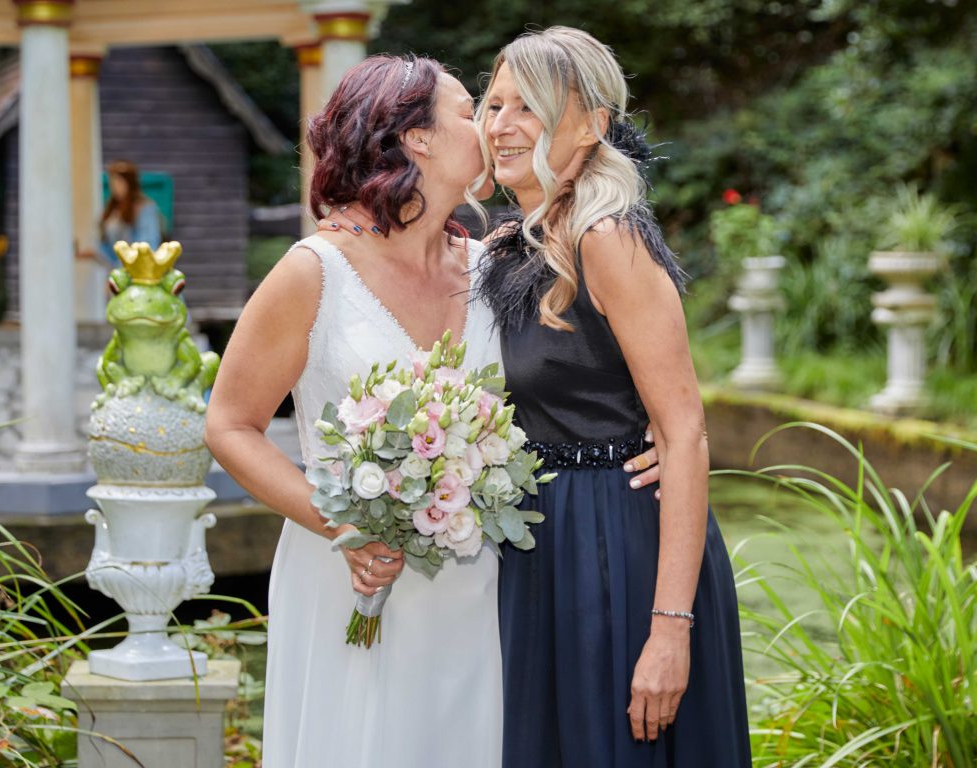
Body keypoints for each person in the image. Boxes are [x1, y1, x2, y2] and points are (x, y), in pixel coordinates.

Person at [323, 26, 750, 768]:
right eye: (493, 105)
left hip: (618, 543)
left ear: (591, 124)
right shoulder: (507, 245)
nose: (502, 125)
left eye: (531, 106)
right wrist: (352, 226)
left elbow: (684, 433)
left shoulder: (607, 238)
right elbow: (412, 254)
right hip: (536, 547)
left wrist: (669, 628)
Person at [204, 56, 504, 767]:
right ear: (418, 138)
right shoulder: (315, 272)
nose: (492, 128)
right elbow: (229, 424)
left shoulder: (494, 268)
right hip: (348, 572)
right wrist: (340, 525)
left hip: (477, 581)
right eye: (472, 112)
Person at [98, 160, 162, 263]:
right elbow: (107, 248)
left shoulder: (144, 207)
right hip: (117, 269)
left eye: (119, 182)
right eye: (112, 182)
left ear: (130, 183)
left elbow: (148, 245)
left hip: (137, 268)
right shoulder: (112, 210)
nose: (115, 186)